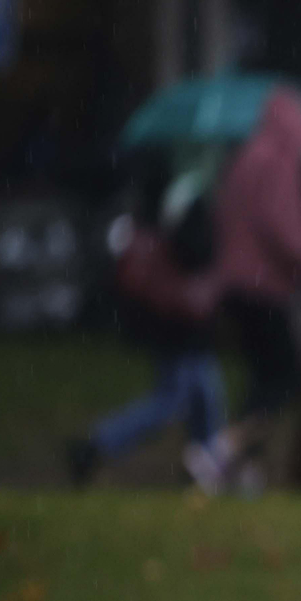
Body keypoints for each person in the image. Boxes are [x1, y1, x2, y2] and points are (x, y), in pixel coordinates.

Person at [185, 86, 301, 495]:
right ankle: (222, 449)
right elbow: (282, 225)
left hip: (235, 284)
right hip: (264, 286)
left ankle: (244, 473)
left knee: (262, 377)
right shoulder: (278, 161)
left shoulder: (244, 157)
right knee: (283, 379)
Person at [67, 159, 228, 488]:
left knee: (201, 397)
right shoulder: (185, 198)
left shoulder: (164, 197)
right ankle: (99, 445)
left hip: (173, 325)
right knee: (175, 401)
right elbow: (191, 252)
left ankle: (205, 469)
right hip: (181, 326)